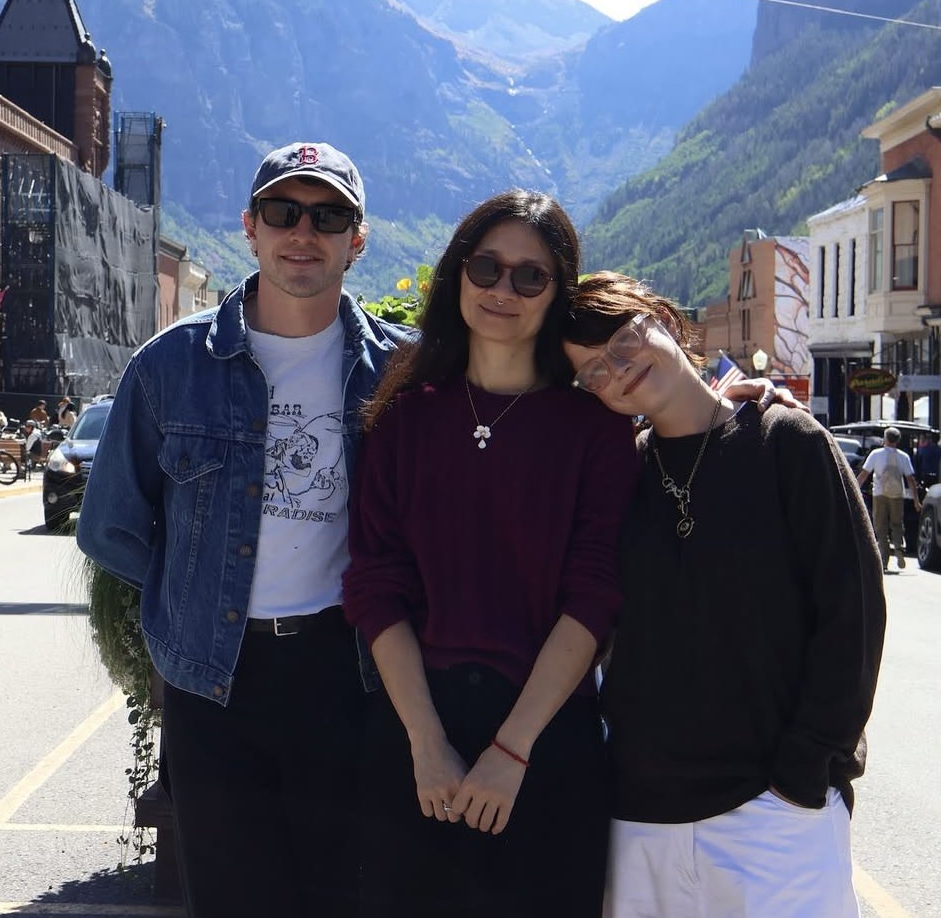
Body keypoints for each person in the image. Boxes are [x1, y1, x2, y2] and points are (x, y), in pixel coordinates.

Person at [77, 141, 409, 918]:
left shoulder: (402, 373)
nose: (304, 232)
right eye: (283, 212)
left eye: (328, 217)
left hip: (351, 677)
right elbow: (112, 526)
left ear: (357, 240)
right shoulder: (170, 366)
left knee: (344, 899)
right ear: (251, 228)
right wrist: (189, 604)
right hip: (215, 687)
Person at [342, 191, 638, 917]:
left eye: (530, 276)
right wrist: (425, 743)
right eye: (486, 268)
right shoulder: (401, 416)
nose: (503, 289)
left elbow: (594, 596)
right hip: (417, 735)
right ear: (458, 274)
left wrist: (511, 752)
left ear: (557, 293)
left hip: (546, 740)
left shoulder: (597, 431)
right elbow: (376, 585)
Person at [562, 271, 886, 918]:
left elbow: (852, 617)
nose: (617, 371)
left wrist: (803, 773)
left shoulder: (786, 443)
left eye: (624, 341)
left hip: (773, 816)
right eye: (592, 371)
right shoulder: (619, 476)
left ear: (663, 318)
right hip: (640, 820)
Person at [857, 426, 920, 571]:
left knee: (880, 527)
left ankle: (884, 559)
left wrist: (854, 488)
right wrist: (916, 500)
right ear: (898, 440)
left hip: (879, 494)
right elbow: (911, 479)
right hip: (897, 495)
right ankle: (898, 549)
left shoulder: (876, 454)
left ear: (885, 438)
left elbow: (864, 474)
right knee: (897, 524)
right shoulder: (903, 456)